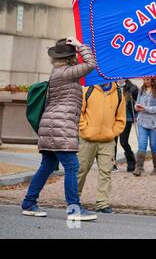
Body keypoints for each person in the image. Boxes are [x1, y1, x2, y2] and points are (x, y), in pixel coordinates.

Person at [21, 37, 97, 221]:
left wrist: (76, 49)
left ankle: (29, 203)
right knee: (72, 166)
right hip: (59, 127)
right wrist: (80, 46)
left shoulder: (60, 71)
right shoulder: (66, 72)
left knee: (47, 166)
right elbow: (91, 63)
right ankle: (74, 209)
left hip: (53, 125)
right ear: (71, 56)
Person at [77, 82, 126, 214]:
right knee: (81, 170)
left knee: (106, 172)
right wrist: (84, 129)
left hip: (108, 141)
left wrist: (112, 132)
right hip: (87, 140)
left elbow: (121, 119)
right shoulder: (88, 89)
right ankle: (74, 199)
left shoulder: (119, 93)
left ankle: (102, 203)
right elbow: (79, 113)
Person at [133, 78, 156, 176]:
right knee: (142, 144)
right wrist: (137, 107)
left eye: (147, 79)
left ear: (152, 80)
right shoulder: (141, 90)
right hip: (142, 121)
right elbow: (137, 103)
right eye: (144, 79)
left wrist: (146, 108)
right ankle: (138, 168)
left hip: (155, 123)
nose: (145, 81)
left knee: (153, 145)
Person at [115, 79, 139, 172]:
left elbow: (139, 102)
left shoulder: (132, 88)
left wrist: (134, 103)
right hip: (113, 118)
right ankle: (112, 164)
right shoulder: (112, 86)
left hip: (126, 118)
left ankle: (131, 161)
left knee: (123, 142)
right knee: (112, 142)